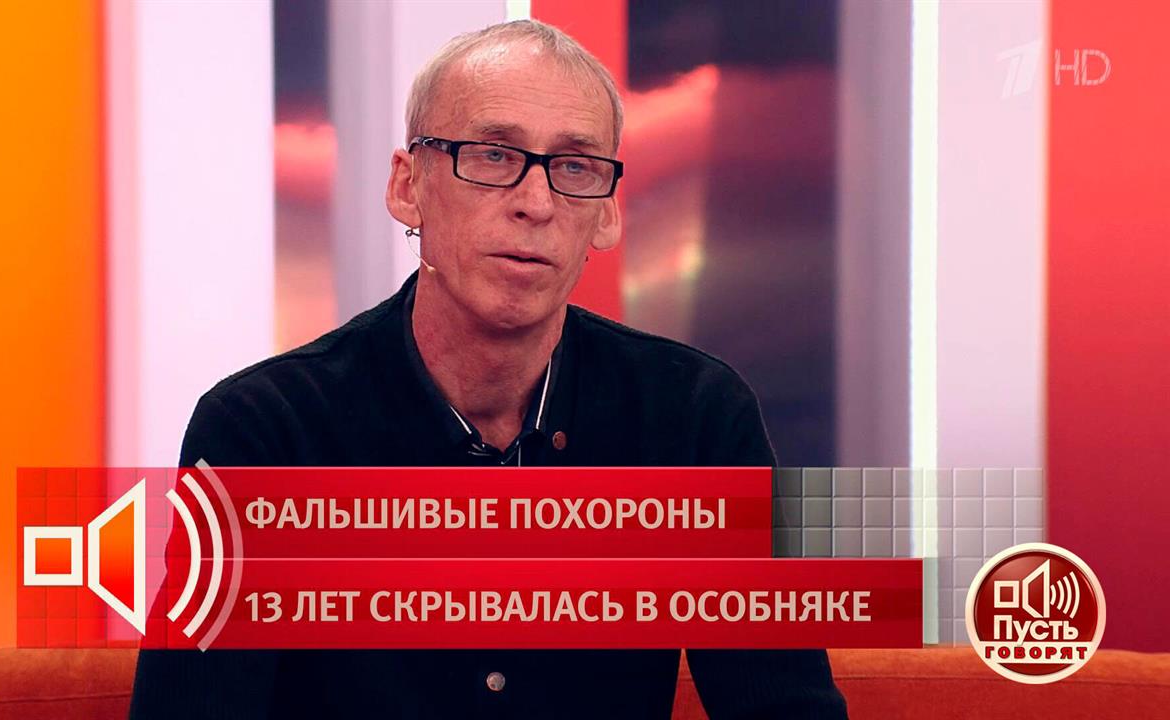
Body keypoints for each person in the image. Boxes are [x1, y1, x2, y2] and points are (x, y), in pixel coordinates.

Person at [130, 19, 846, 719]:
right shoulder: (264, 432)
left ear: (606, 214)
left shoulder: (696, 418)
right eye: (494, 156)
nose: (536, 203)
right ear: (407, 186)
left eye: (574, 168)